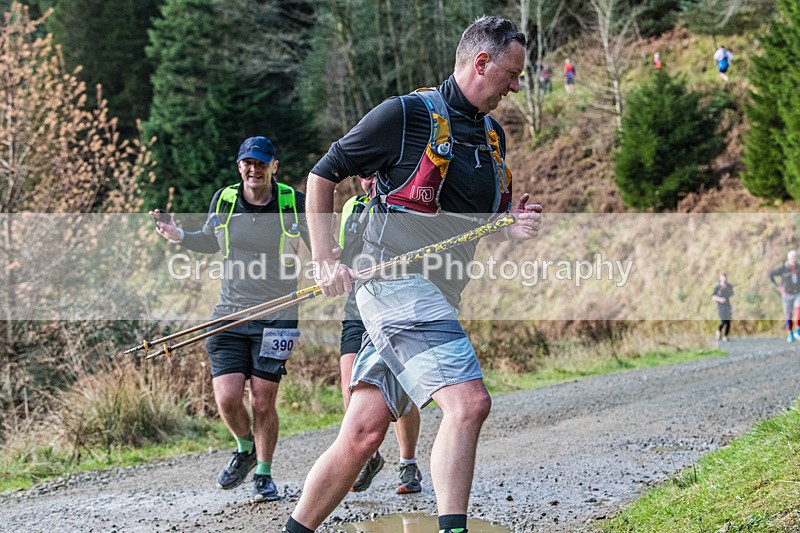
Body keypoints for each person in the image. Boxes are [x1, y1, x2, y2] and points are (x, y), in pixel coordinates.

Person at [284, 16, 542, 533]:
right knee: (469, 404)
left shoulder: (491, 136)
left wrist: (507, 226)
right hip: (395, 285)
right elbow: (322, 174)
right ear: (481, 62)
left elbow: (463, 221)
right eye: (511, 74)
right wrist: (324, 257)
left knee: (361, 432)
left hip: (437, 294)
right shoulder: (404, 115)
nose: (516, 86)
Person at [150, 136, 307, 502]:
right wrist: (178, 236)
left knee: (264, 400)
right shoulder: (224, 199)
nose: (254, 170)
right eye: (247, 163)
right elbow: (209, 239)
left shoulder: (292, 203)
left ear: (274, 166)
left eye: (261, 163)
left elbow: (320, 245)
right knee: (227, 398)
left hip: (278, 315)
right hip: (229, 313)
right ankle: (244, 447)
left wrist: (333, 267)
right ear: (240, 167)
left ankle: (264, 474)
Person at [337, 174, 423, 495]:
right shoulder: (352, 207)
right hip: (356, 305)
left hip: (395, 304)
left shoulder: (404, 203)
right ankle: (369, 457)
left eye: (374, 173)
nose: (367, 180)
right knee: (351, 384)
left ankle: (408, 464)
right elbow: (346, 254)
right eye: (363, 174)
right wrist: (334, 264)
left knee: (400, 390)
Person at [768, 250, 800, 343]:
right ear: (788, 258)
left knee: (799, 311)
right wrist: (777, 287)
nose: (794, 259)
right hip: (787, 294)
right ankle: (790, 333)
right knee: (789, 314)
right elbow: (770, 274)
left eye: (795, 257)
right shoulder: (783, 268)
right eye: (793, 257)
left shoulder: (798, 267)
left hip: (798, 293)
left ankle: (798, 331)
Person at [711, 273, 733, 341]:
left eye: (725, 278)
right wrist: (719, 299)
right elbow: (713, 297)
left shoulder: (729, 286)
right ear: (720, 278)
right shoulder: (717, 287)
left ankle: (726, 336)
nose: (724, 279)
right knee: (723, 321)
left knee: (728, 321)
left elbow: (731, 294)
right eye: (723, 278)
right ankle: (719, 331)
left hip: (727, 306)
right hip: (721, 306)